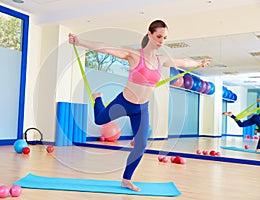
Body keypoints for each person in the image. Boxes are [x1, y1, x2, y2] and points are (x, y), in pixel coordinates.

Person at [68, 20, 210, 192]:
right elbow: (106, 48)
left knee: (141, 145)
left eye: (164, 38)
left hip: (141, 108)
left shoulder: (161, 60)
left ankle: (126, 179)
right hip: (124, 103)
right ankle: (98, 98)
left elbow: (182, 62)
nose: (161, 41)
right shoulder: (134, 55)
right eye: (158, 36)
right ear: (149, 34)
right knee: (99, 119)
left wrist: (199, 64)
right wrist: (80, 41)